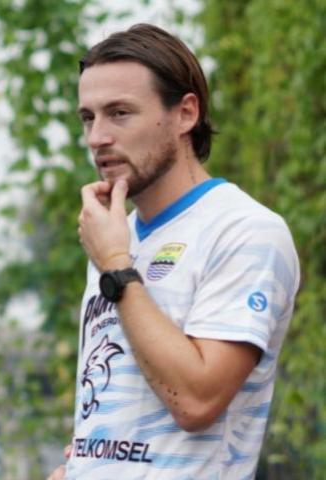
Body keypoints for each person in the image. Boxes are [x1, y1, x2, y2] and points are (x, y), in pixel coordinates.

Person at [47, 24, 299, 479]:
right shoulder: (116, 236)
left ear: (185, 113)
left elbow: (196, 401)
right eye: (88, 117)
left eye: (119, 113)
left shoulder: (246, 230)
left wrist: (116, 269)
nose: (96, 138)